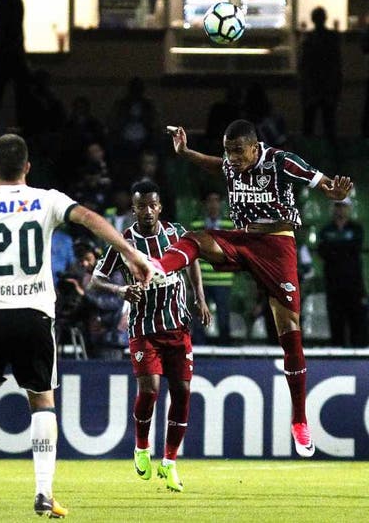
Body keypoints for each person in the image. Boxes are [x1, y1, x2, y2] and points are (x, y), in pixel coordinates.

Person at [0, 134, 153, 522]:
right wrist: (133, 253)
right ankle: (43, 494)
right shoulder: (48, 199)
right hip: (36, 314)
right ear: (27, 167)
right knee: (42, 401)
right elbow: (90, 218)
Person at [149, 121, 352, 458]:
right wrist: (185, 152)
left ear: (255, 147)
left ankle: (300, 419)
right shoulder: (231, 162)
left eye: (238, 151)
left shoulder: (282, 161)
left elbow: (322, 182)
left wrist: (334, 191)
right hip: (243, 239)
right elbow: (216, 165)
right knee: (197, 239)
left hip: (276, 245)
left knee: (288, 329)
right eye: (228, 151)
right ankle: (156, 269)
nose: (232, 158)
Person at [90, 180, 210, 492]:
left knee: (183, 391)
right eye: (140, 206)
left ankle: (169, 462)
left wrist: (199, 297)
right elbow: (95, 280)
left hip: (177, 325)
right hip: (144, 327)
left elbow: (192, 258)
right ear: (133, 209)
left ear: (159, 207)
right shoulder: (123, 242)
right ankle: (142, 447)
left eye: (151, 205)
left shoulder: (176, 234)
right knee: (151, 388)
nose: (146, 211)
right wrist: (121, 289)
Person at [318, 198, 367, 346]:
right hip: (333, 285)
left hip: (354, 286)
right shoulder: (325, 231)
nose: (340, 209)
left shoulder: (356, 229)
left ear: (348, 208)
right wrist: (343, 248)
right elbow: (324, 252)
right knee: (336, 324)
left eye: (343, 206)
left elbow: (354, 248)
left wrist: (335, 248)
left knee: (357, 325)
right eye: (337, 206)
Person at [190, 191, 233, 344]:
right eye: (210, 201)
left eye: (216, 201)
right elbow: (192, 253)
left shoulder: (229, 226)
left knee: (223, 315)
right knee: (199, 313)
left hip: (223, 279)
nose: (213, 204)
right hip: (203, 279)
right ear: (205, 204)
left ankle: (225, 347)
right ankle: (199, 346)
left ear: (221, 204)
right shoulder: (197, 226)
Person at [0, 0, 30, 127]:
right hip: (10, 51)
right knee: (21, 90)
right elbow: (14, 29)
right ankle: (23, 125)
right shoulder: (13, 0)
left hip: (5, 51)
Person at [298, 7, 342, 141]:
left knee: (309, 122)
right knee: (328, 122)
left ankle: (306, 155)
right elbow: (336, 63)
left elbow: (303, 63)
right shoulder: (332, 37)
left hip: (312, 84)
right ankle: (331, 155)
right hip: (328, 84)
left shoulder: (308, 39)